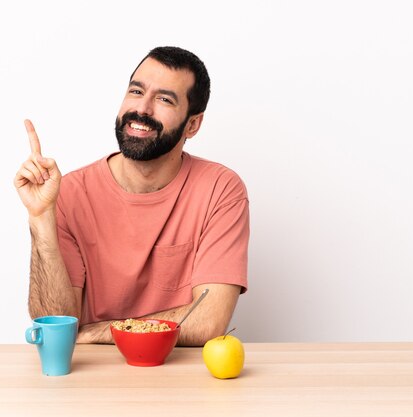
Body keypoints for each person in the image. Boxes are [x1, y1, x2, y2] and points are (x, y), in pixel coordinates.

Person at [14, 46, 249, 346]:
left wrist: (96, 332)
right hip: (90, 380)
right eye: (136, 91)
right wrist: (40, 219)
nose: (143, 109)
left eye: (164, 99)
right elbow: (55, 326)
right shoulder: (69, 193)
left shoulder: (221, 190)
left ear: (192, 124)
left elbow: (209, 321)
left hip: (183, 379)